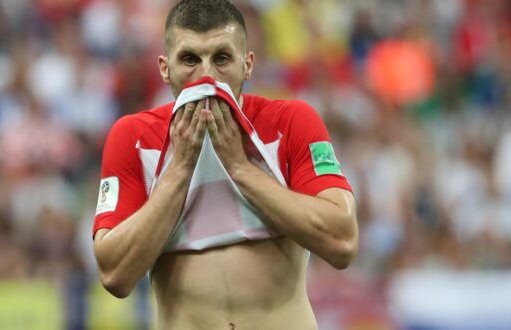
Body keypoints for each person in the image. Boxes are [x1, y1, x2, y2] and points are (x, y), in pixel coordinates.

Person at [92, 0, 358, 328]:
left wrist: (240, 168)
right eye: (190, 58)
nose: (206, 74)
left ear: (247, 64)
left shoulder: (290, 122)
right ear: (165, 67)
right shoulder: (133, 136)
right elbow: (114, 274)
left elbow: (342, 241)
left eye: (221, 58)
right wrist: (180, 169)